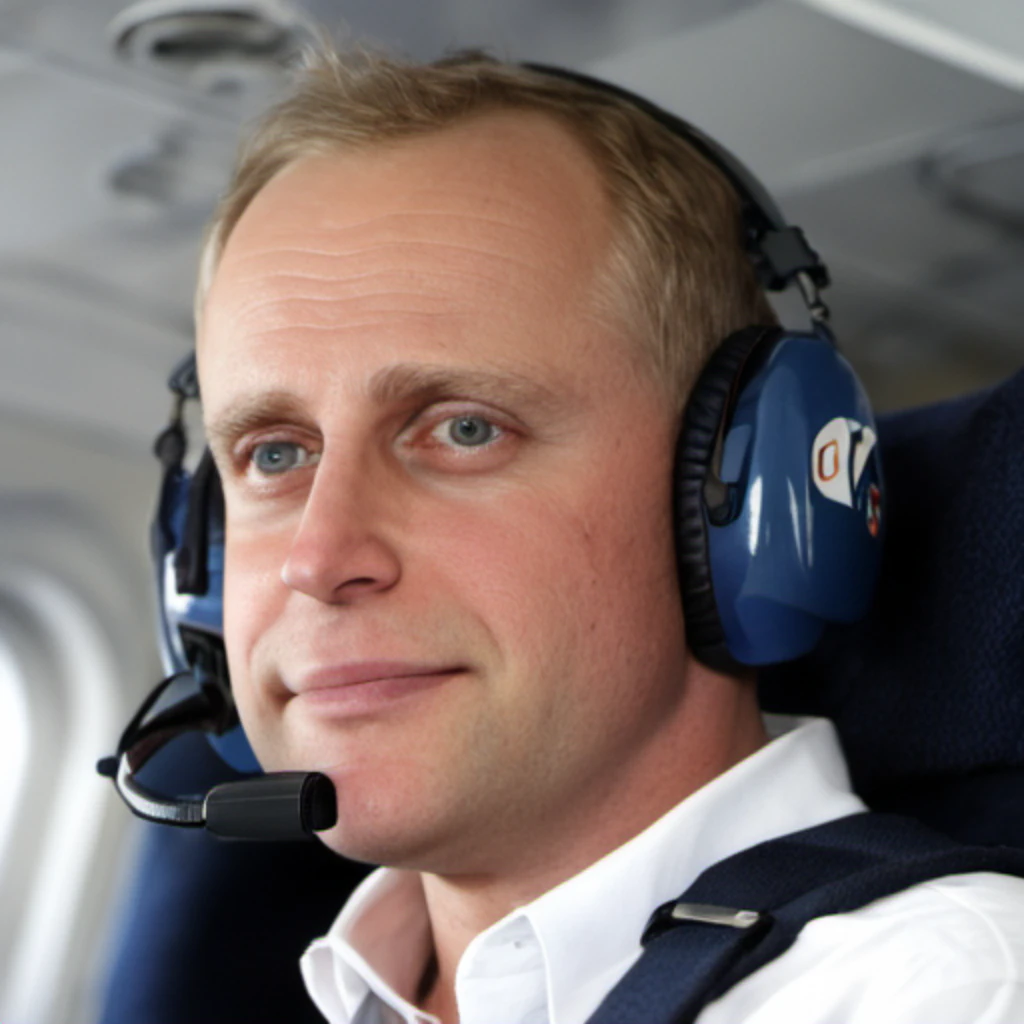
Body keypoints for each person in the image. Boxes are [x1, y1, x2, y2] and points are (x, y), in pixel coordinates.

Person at [192, 44, 1024, 1024]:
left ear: (744, 498)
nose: (318, 558)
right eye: (275, 454)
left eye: (464, 429)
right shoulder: (343, 987)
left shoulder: (938, 989)